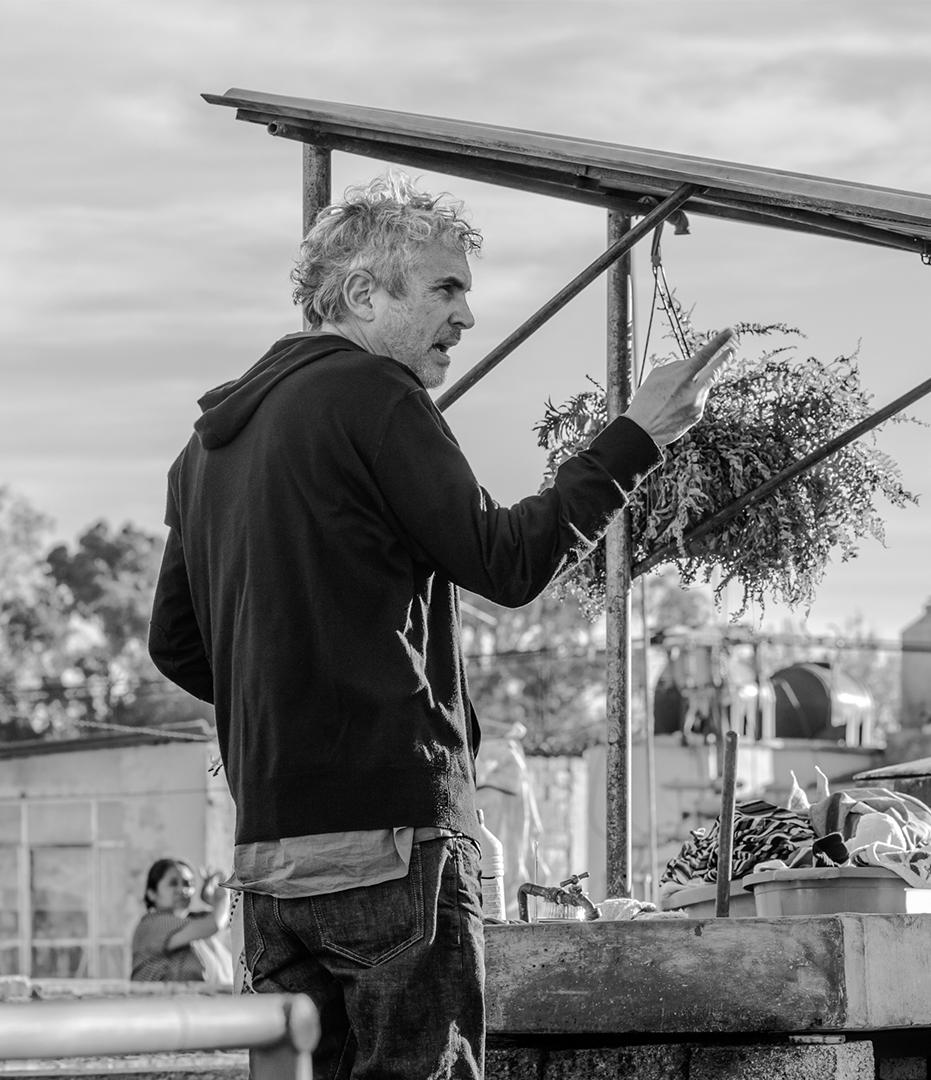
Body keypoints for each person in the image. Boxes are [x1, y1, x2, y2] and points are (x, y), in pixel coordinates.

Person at [149, 173, 730, 1080]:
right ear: (362, 295)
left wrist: (292, 703)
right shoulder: (374, 394)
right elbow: (504, 559)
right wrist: (637, 437)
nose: (465, 316)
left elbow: (176, 645)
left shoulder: (205, 448)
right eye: (445, 289)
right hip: (390, 841)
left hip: (268, 856)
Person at [130, 859, 234, 985]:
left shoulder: (193, 920)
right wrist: (221, 895)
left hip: (193, 1001)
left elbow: (230, 920)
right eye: (173, 883)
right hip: (158, 1002)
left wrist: (209, 899)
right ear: (152, 894)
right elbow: (215, 925)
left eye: (188, 884)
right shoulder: (152, 924)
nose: (182, 889)